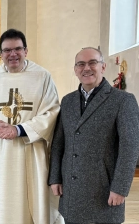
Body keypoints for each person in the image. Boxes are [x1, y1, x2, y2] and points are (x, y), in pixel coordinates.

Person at [0, 29, 63, 224]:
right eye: (7, 50)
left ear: (26, 50)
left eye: (18, 49)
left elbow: (52, 112)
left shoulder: (42, 77)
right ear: (1, 54)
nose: (13, 54)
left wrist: (19, 129)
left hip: (31, 151)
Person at [48, 47, 139, 224]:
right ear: (75, 70)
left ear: (103, 67)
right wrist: (55, 178)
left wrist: (120, 188)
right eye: (81, 64)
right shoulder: (68, 101)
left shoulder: (123, 101)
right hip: (72, 191)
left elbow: (130, 147)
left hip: (104, 191)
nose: (86, 68)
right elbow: (59, 143)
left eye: (92, 63)